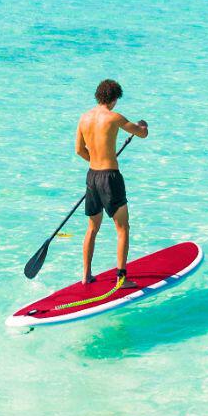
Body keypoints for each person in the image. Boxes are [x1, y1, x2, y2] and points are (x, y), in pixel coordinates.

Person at [76, 79, 149, 286]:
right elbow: (141, 133)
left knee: (92, 228)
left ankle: (86, 275)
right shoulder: (114, 117)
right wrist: (143, 125)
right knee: (123, 228)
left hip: (92, 177)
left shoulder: (84, 118)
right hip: (110, 178)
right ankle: (121, 278)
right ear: (115, 98)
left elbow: (79, 150)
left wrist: (97, 161)